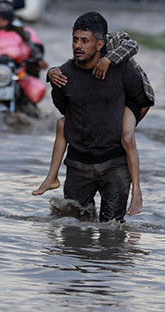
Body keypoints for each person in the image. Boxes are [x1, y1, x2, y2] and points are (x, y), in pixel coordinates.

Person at [33, 12, 154, 217]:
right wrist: (50, 74)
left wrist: (124, 125)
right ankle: (51, 177)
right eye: (75, 40)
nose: (78, 46)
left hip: (115, 164)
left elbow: (143, 100)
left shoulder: (121, 67)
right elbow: (65, 111)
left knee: (113, 232)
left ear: (99, 45)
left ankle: (137, 194)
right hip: (78, 165)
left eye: (84, 41)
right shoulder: (64, 75)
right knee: (72, 229)